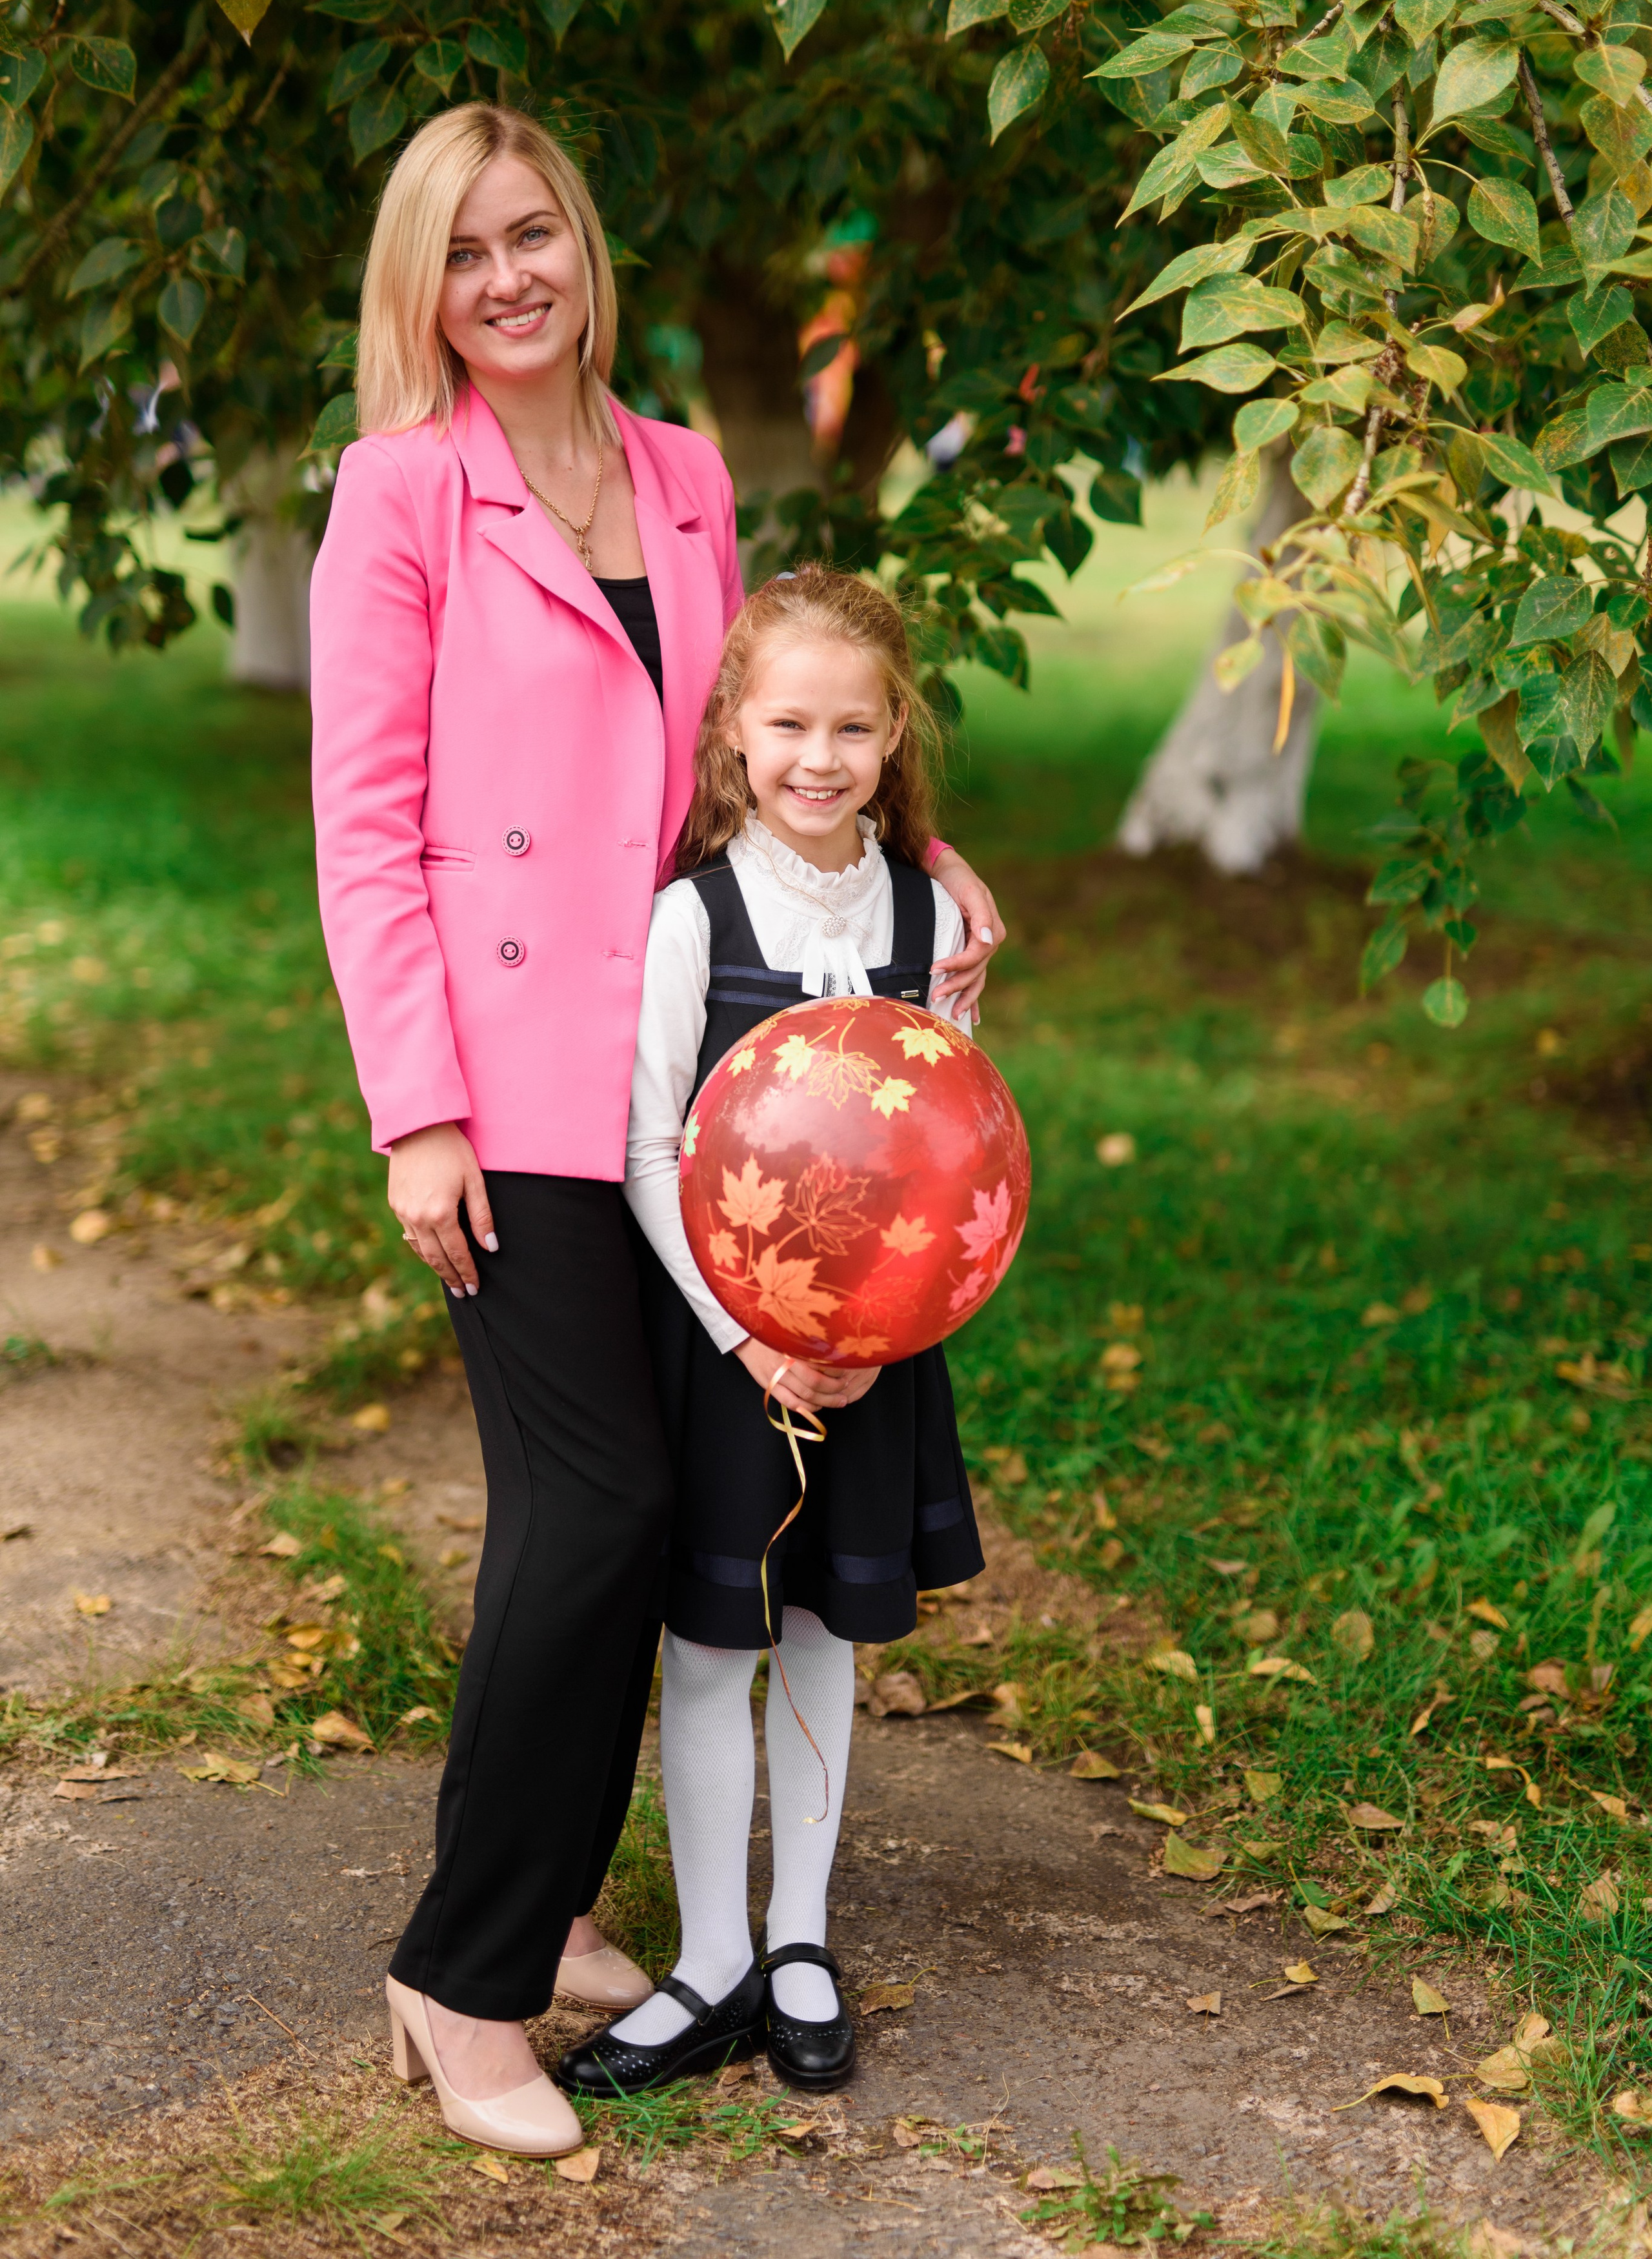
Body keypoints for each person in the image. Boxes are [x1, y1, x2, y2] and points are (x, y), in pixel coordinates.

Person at [307, 103, 1005, 2156]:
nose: (506, 277)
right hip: (515, 1096)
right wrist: (414, 1110)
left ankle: (543, 1910)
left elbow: (767, 734)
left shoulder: (686, 474)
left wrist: (924, 853)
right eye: (462, 252)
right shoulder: (399, 493)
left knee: (652, 1524)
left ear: (584, 249)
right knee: (593, 1514)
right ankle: (461, 1978)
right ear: (420, 290)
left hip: (710, 1089)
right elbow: (364, 833)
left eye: (533, 235)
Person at [558, 565, 985, 2101]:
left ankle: (798, 1938)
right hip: (727, 1353)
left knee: (819, 1639)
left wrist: (883, 1329)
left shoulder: (929, 914)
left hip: (872, 1358)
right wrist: (748, 1339)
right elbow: (642, 1144)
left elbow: (945, 1143)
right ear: (731, 731)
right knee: (710, 1641)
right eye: (788, 722)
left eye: (852, 726)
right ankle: (711, 1961)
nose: (820, 755)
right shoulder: (694, 912)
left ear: (891, 737)